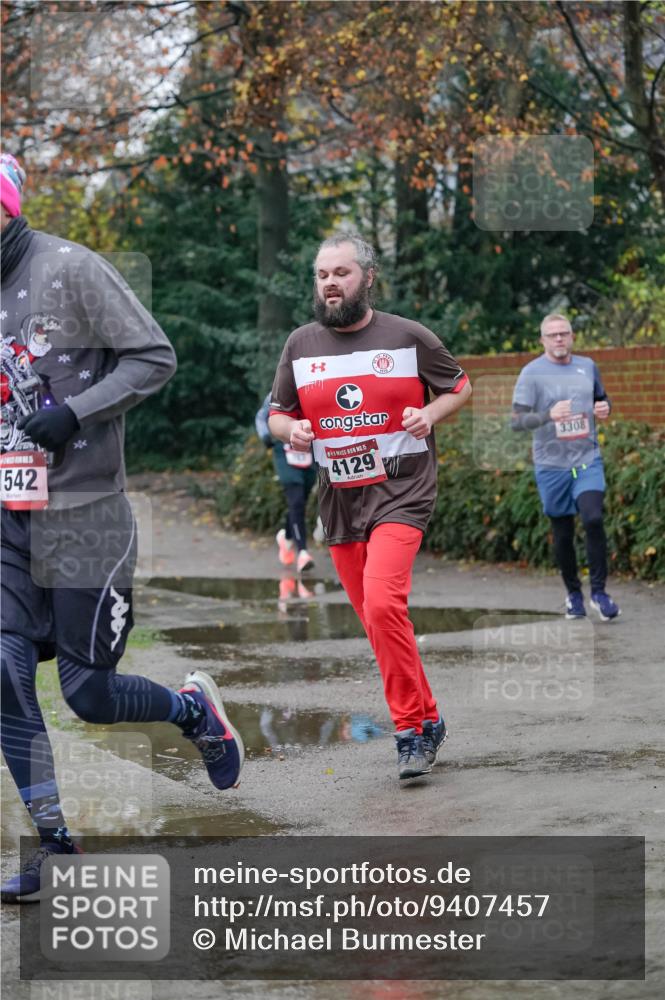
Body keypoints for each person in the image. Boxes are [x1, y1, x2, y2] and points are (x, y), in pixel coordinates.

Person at [0, 153, 243, 902]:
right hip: (9, 521)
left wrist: (74, 411)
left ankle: (192, 712)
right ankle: (55, 843)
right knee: (3, 677)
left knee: (88, 695)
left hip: (86, 516)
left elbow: (153, 356)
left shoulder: (70, 270)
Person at [268, 232, 472, 782]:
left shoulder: (407, 336)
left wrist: (429, 416)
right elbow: (276, 414)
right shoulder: (301, 344)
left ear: (367, 278)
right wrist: (297, 429)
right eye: (322, 275)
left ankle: (409, 733)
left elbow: (459, 385)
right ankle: (428, 716)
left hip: (403, 491)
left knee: (383, 605)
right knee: (377, 620)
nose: (330, 283)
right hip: (340, 499)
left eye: (342, 273)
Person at [511, 312, 620, 621]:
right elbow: (517, 422)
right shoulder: (531, 373)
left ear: (572, 337)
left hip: (587, 460)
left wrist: (605, 407)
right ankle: (574, 594)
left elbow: (602, 399)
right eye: (553, 334)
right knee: (563, 532)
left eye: (564, 333)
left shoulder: (588, 367)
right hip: (551, 465)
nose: (559, 338)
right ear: (542, 340)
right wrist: (547, 415)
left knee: (593, 517)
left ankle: (599, 592)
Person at [255, 393, 316, 572]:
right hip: (284, 450)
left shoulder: (312, 384)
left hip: (308, 449)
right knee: (296, 500)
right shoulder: (278, 390)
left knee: (301, 501)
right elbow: (262, 415)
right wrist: (265, 436)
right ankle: (303, 553)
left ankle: (287, 537)